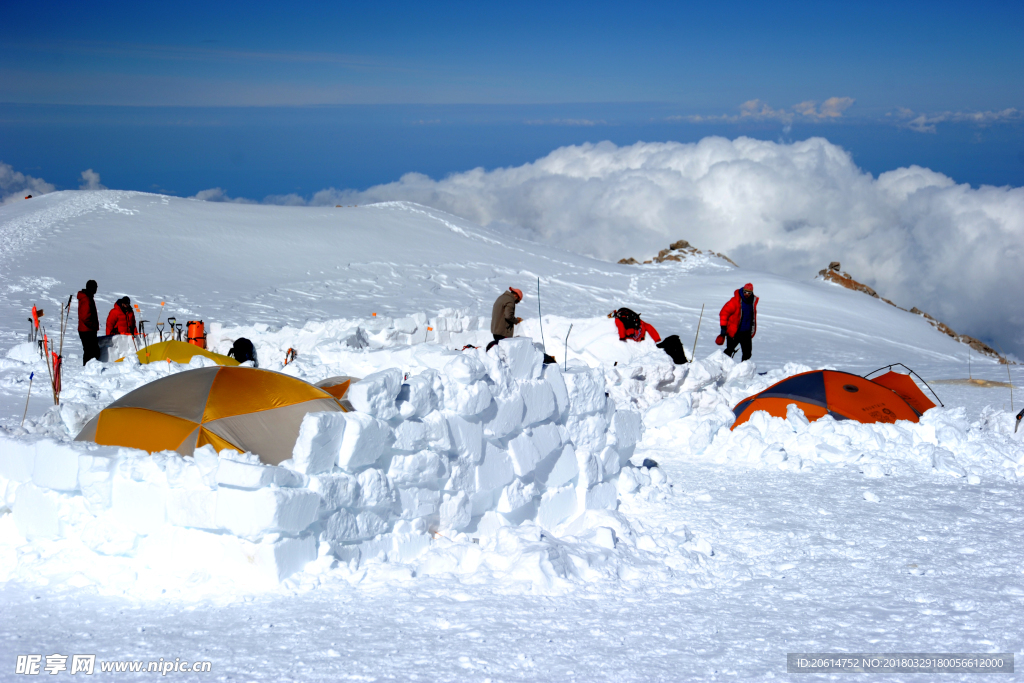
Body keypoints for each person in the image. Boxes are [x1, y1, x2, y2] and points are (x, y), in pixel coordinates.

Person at [612, 308, 688, 364]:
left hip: (637, 340)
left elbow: (620, 326)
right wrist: (657, 339)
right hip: (640, 342)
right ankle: (681, 361)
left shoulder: (619, 320)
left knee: (673, 340)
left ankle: (680, 361)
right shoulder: (638, 321)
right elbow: (649, 327)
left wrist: (622, 337)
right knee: (674, 340)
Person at [717, 283, 758, 362]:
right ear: (742, 290)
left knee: (747, 354)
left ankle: (744, 371)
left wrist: (752, 330)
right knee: (729, 351)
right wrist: (723, 328)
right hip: (734, 332)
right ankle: (721, 367)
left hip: (746, 332)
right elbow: (724, 313)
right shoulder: (735, 301)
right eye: (745, 292)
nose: (747, 294)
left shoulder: (752, 302)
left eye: (749, 293)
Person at [77, 280, 100, 365]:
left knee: (91, 351)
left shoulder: (88, 297)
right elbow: (85, 317)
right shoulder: (86, 299)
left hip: (86, 329)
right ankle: (87, 369)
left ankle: (88, 368)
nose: (96, 289)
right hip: (87, 330)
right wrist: (92, 325)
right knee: (91, 352)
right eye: (95, 287)